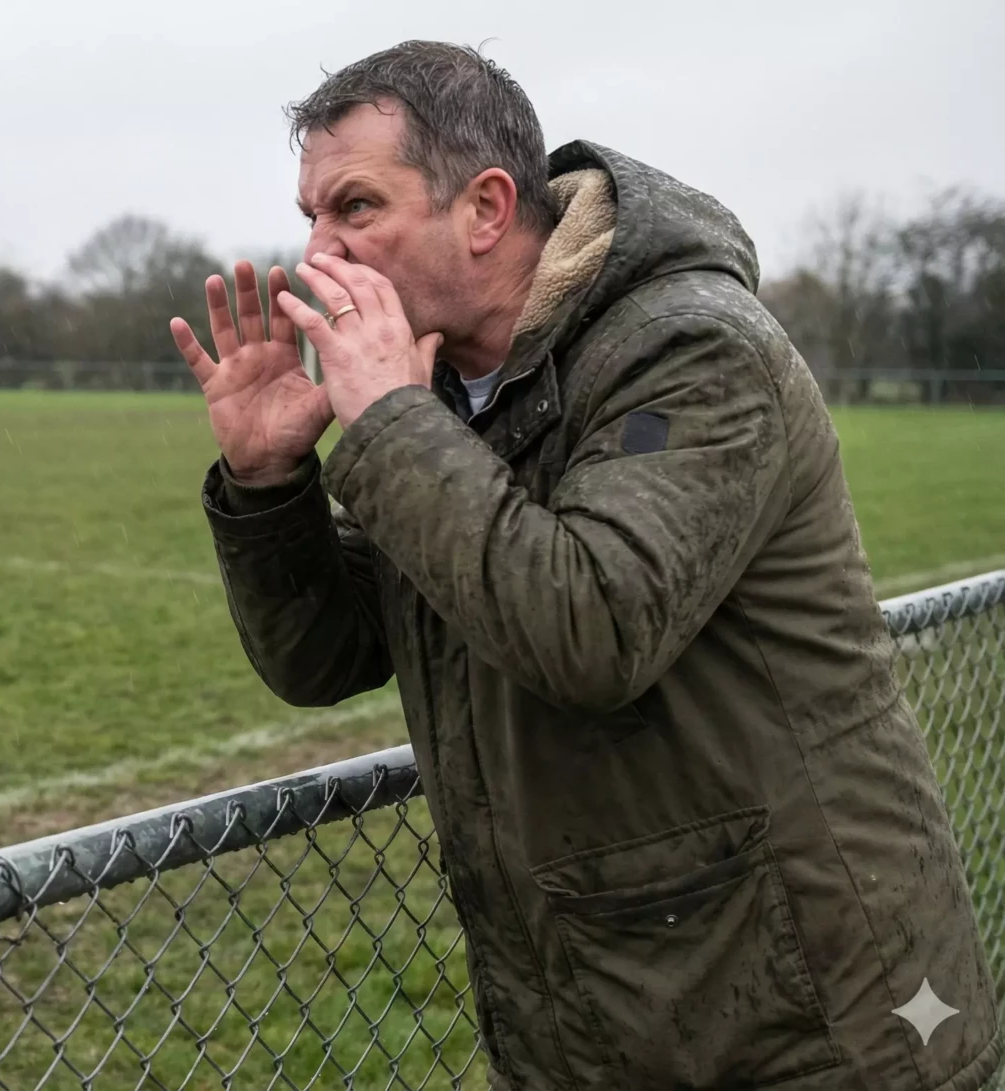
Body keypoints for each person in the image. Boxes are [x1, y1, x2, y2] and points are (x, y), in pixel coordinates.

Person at [173, 40, 997, 1091]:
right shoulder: (442, 395)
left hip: (813, 1014)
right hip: (602, 1008)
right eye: (309, 217)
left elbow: (591, 628)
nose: (315, 254)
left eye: (354, 208)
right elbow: (324, 658)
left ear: (481, 208)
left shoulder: (693, 349)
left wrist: (384, 418)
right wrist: (266, 481)